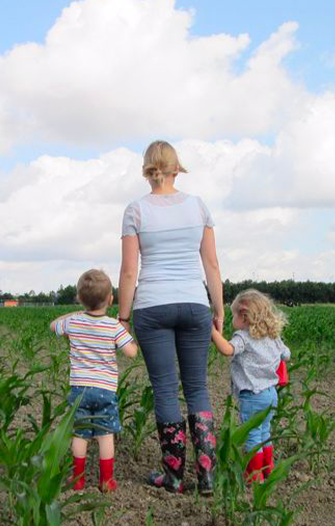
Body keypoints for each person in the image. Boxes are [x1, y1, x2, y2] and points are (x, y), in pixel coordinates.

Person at [118, 140, 223, 495]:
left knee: (165, 390)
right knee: (197, 388)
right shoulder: (198, 206)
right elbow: (211, 264)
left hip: (152, 306)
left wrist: (123, 316)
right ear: (177, 168)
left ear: (148, 170)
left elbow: (129, 272)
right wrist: (219, 309)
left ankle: (175, 476)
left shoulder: (136, 211)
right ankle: (207, 475)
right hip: (195, 304)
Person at [50, 269, 138, 492]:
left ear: (79, 299)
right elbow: (131, 353)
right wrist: (132, 342)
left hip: (79, 388)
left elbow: (53, 326)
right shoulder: (113, 326)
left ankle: (77, 479)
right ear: (111, 299)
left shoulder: (74, 322)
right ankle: (106, 481)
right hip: (105, 390)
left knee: (80, 433)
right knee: (105, 434)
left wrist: (72, 315)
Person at [210, 289, 291, 483]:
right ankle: (267, 468)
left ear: (245, 317)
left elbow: (227, 350)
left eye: (233, 315)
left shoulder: (243, 338)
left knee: (252, 434)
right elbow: (286, 355)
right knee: (265, 431)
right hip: (271, 394)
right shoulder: (273, 337)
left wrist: (212, 331)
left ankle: (254, 475)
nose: (232, 320)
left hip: (252, 395)